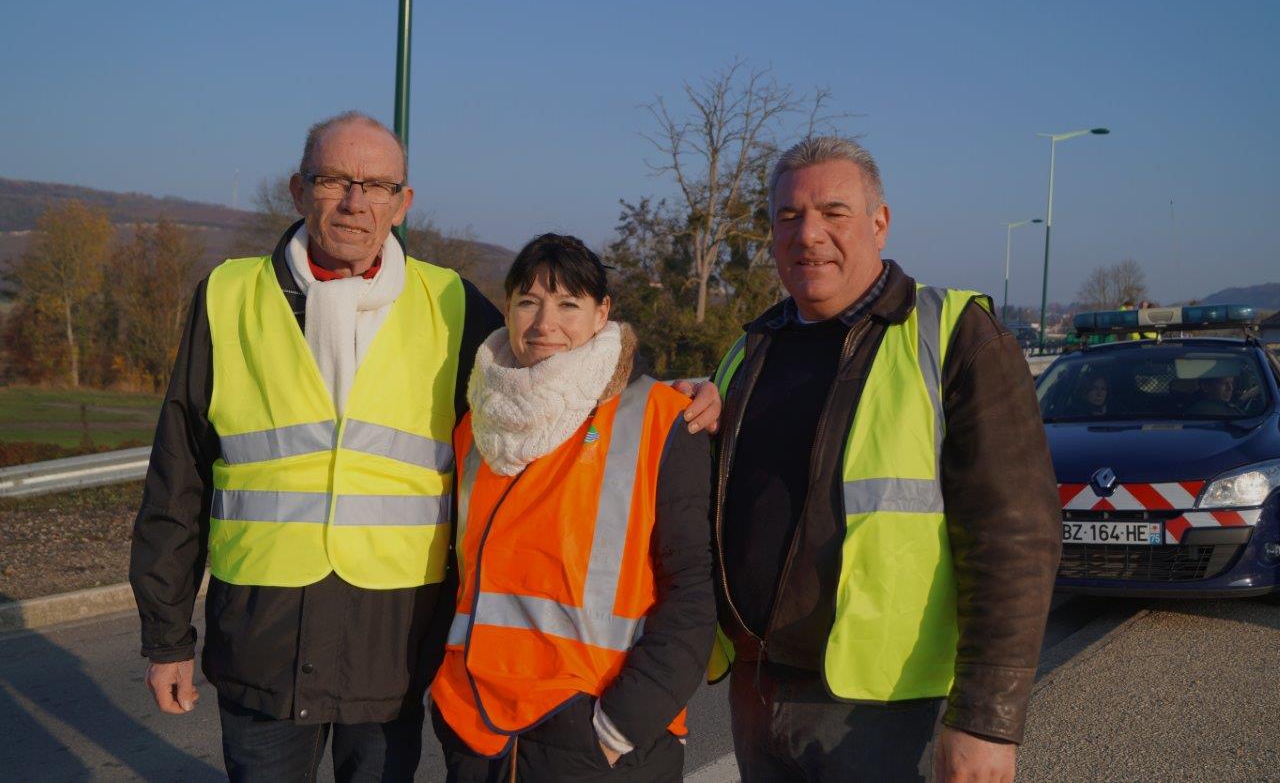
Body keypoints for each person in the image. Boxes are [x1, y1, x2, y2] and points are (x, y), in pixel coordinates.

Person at [128, 112, 722, 781]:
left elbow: (556, 376)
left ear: (403, 203)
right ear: (298, 190)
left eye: (378, 185)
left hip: (392, 656)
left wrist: (675, 393)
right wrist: (166, 636)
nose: (356, 201)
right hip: (260, 650)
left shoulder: (451, 304)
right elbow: (177, 480)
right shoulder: (227, 298)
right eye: (334, 180)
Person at [706, 136, 1061, 782]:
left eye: (833, 212)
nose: (808, 234)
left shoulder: (953, 335)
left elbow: (1017, 539)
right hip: (758, 691)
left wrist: (986, 720)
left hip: (888, 712)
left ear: (879, 222)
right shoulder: (748, 352)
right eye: (789, 216)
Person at [429, 234, 716, 782]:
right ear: (508, 308)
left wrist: (617, 729)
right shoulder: (475, 427)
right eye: (528, 301)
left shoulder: (662, 417)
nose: (544, 324)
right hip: (477, 730)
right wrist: (446, 701)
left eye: (568, 304)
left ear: (601, 312)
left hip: (599, 736)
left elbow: (693, 594)